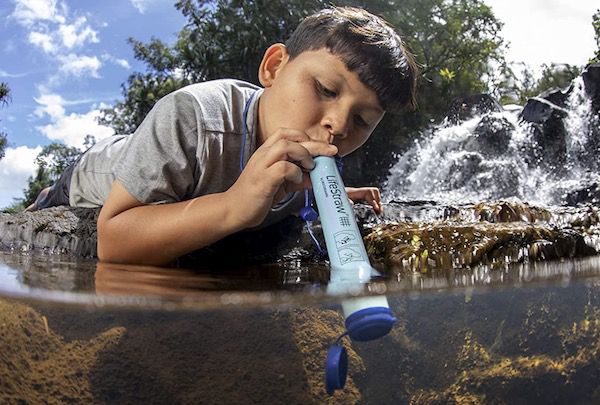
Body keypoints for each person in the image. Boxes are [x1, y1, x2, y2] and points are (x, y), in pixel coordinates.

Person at [27, 6, 418, 266]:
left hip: (174, 169)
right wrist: (233, 206)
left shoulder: (309, 149)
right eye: (325, 90)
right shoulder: (194, 116)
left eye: (363, 120)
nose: (339, 124)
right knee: (49, 206)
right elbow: (112, 243)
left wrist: (326, 193)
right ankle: (45, 195)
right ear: (274, 67)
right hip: (96, 174)